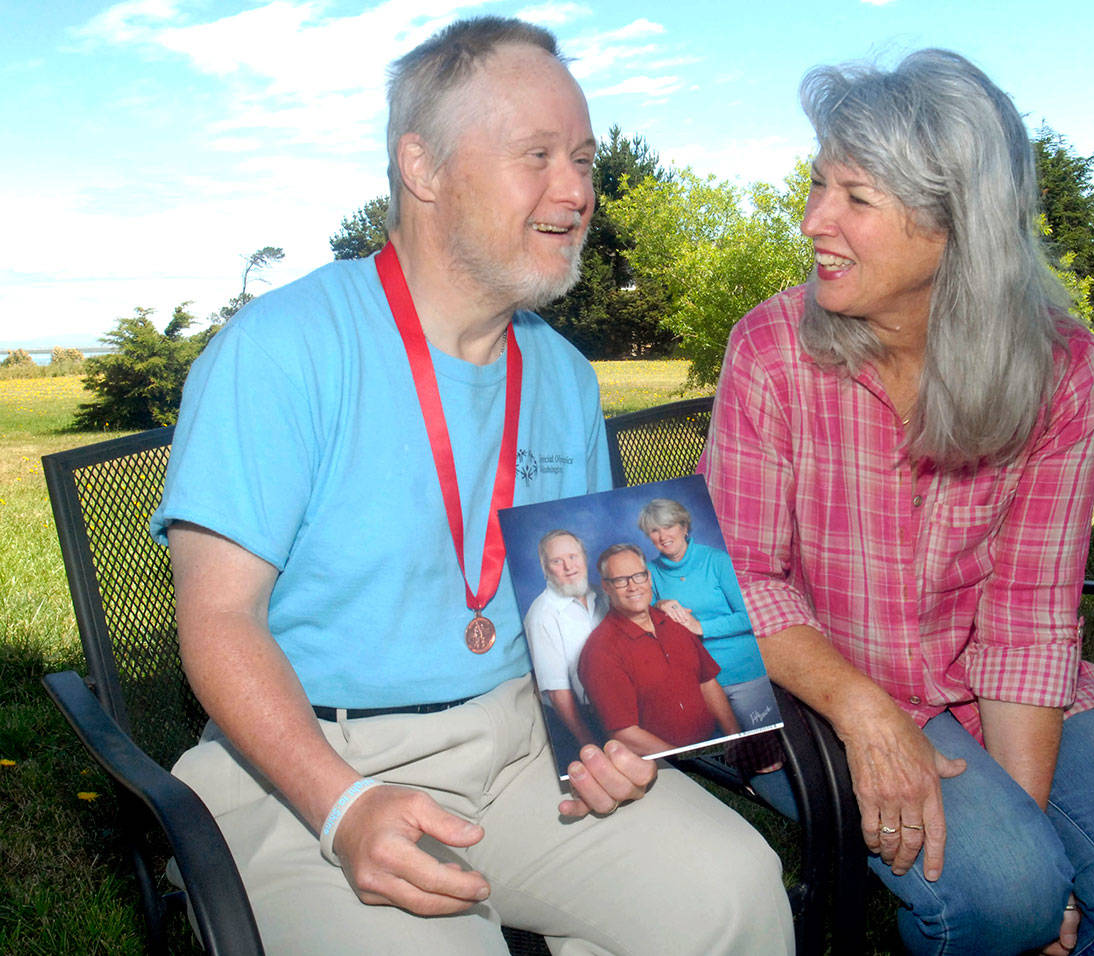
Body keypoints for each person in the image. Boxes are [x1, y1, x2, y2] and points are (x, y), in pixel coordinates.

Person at [150, 17, 792, 955]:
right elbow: (218, 621)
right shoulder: (282, 350)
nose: (575, 191)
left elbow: (562, 614)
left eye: (583, 158)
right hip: (308, 766)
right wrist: (343, 807)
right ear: (424, 167)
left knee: (735, 894)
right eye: (537, 155)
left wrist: (602, 737)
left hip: (524, 745)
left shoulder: (564, 376)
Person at [702, 49, 1094, 956]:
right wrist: (864, 710)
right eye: (818, 182)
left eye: (855, 198)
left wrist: (1031, 837)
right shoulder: (772, 349)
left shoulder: (1059, 366)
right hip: (812, 683)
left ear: (958, 227)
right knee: (997, 896)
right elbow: (737, 575)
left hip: (988, 683)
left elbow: (1029, 612)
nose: (811, 219)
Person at [578, 544, 741, 754]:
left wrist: (736, 738)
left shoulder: (674, 623)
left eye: (639, 576)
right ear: (606, 587)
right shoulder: (599, 652)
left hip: (716, 742)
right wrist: (690, 759)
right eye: (620, 580)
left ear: (649, 578)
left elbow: (707, 682)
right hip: (667, 763)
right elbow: (623, 734)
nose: (633, 586)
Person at [639, 498, 776, 733]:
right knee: (730, 754)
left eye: (669, 526)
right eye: (654, 530)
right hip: (696, 681)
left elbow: (750, 616)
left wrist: (701, 627)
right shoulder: (649, 571)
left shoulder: (717, 561)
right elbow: (644, 623)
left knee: (766, 754)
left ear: (684, 527)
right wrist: (660, 604)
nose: (663, 536)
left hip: (743, 672)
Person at [523, 529, 604, 745]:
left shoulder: (604, 595)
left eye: (573, 557)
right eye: (557, 561)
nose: (569, 568)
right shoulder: (541, 615)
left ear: (584, 558)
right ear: (545, 569)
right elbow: (558, 693)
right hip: (579, 721)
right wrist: (589, 744)